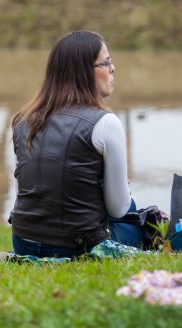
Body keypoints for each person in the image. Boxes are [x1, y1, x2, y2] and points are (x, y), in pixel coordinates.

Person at [9, 31, 144, 257]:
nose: (113, 68)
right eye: (106, 62)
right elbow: (118, 209)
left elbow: (27, 194)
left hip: (23, 242)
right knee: (144, 221)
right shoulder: (105, 123)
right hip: (77, 246)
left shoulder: (22, 120)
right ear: (83, 71)